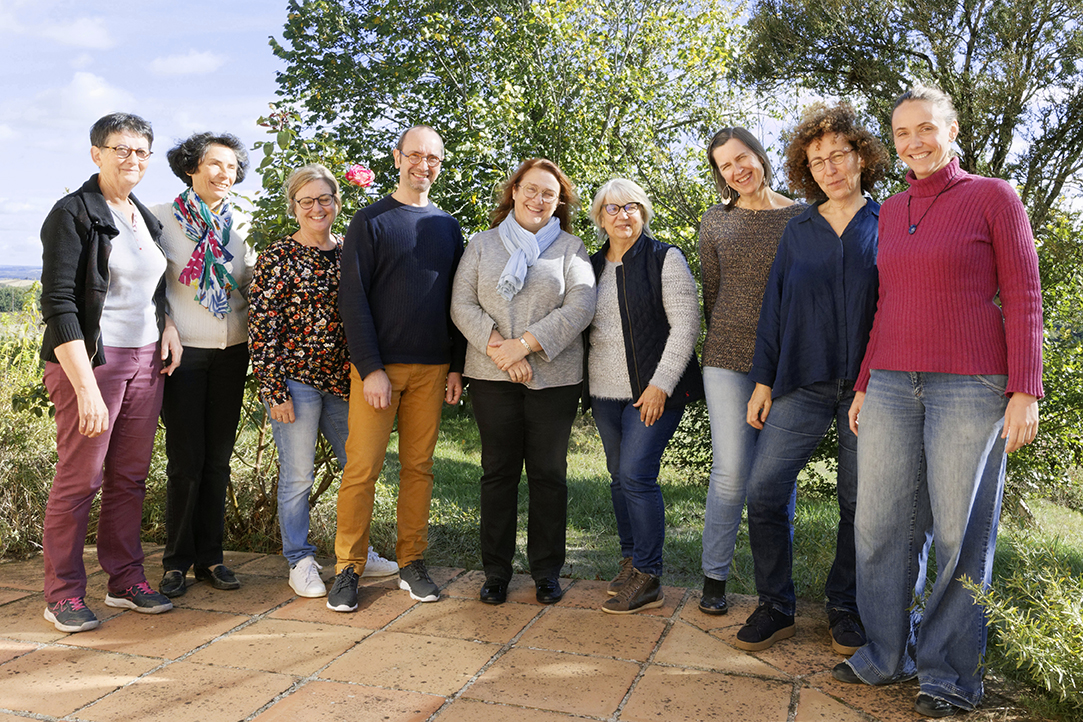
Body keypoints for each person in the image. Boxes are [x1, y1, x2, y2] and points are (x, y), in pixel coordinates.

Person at [833, 84, 1042, 718]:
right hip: (893, 382)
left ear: (951, 131)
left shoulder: (994, 197)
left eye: (926, 128)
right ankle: (885, 652)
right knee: (878, 524)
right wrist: (867, 380)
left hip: (970, 384)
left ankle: (948, 675)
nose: (915, 142)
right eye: (901, 133)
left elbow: (1025, 297)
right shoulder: (892, 211)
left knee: (959, 530)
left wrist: (1025, 389)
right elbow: (888, 303)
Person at [735, 103, 887, 654]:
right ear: (807, 169)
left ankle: (845, 607)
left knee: (857, 500)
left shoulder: (889, 222)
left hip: (869, 389)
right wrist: (763, 380)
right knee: (764, 487)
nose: (829, 168)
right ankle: (775, 605)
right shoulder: (798, 228)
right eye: (816, 160)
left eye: (839, 155)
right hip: (802, 380)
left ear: (861, 157)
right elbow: (775, 307)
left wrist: (878, 381)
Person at [38, 112, 180, 632]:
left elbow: (151, 284)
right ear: (96, 153)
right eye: (121, 149)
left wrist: (166, 326)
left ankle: (124, 579)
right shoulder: (72, 214)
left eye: (141, 150)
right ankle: (63, 593)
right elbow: (59, 304)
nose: (132, 159)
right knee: (81, 479)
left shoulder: (143, 215)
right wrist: (85, 387)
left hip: (145, 360)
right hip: (90, 363)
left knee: (130, 478)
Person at [327, 125, 467, 612]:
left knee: (419, 469)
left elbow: (457, 302)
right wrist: (371, 368)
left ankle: (412, 562)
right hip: (377, 371)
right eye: (415, 155)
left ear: (439, 164)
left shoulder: (448, 227)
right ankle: (348, 567)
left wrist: (457, 367)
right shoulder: (369, 221)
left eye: (433, 158)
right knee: (362, 469)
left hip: (433, 369)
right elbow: (353, 300)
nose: (423, 164)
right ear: (397, 157)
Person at [248, 164, 397, 599]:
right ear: (294, 206)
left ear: (337, 202)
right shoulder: (278, 257)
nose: (317, 208)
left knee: (359, 469)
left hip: (344, 381)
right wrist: (274, 390)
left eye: (325, 199)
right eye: (307, 201)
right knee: (298, 476)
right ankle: (300, 560)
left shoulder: (351, 251)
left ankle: (356, 553)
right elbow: (263, 327)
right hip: (295, 382)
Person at [450, 159, 595, 606]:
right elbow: (461, 304)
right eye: (530, 190)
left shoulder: (572, 249)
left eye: (548, 194)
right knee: (498, 474)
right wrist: (501, 349)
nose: (537, 200)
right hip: (492, 376)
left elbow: (581, 305)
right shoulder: (481, 244)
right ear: (514, 191)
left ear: (559, 202)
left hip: (555, 379)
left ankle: (546, 571)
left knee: (549, 476)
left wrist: (526, 345)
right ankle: (496, 572)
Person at [697, 128, 803, 615]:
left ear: (760, 156)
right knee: (733, 471)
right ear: (720, 175)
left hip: (786, 361)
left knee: (776, 477)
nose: (736, 170)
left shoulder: (802, 217)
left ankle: (773, 591)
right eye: (724, 165)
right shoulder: (714, 222)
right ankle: (714, 578)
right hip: (726, 356)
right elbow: (712, 293)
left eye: (742, 158)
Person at [585, 179, 702, 614]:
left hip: (652, 392)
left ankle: (649, 575)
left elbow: (686, 326)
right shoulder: (590, 265)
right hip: (602, 393)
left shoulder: (665, 258)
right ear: (600, 218)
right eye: (611, 209)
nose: (622, 215)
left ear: (644, 212)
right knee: (619, 477)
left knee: (636, 475)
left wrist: (660, 385)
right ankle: (631, 560)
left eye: (631, 206)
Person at [152, 132, 258, 598]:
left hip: (232, 353)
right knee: (185, 462)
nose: (224, 174)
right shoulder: (160, 219)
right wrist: (164, 324)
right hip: (183, 355)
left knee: (217, 461)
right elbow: (149, 287)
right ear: (191, 167)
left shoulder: (242, 227)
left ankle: (211, 558)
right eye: (215, 164)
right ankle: (176, 561)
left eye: (232, 167)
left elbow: (252, 287)